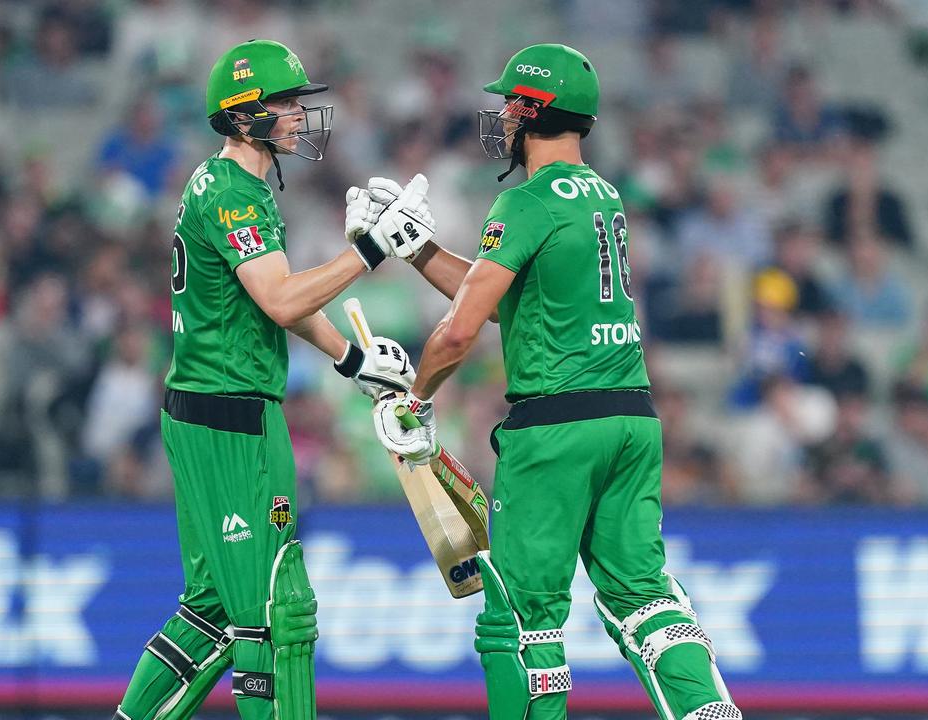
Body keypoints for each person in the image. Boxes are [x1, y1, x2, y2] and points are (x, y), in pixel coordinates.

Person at [369, 44, 741, 720]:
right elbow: (504, 300)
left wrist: (414, 399)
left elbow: (460, 329)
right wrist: (418, 247)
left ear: (534, 109)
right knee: (643, 596)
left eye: (511, 102)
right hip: (631, 418)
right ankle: (705, 709)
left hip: (556, 428)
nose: (503, 116)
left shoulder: (527, 202)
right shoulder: (603, 194)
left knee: (519, 616)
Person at [112, 39, 424, 720]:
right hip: (221, 420)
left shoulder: (243, 186)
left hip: (246, 411)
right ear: (242, 114)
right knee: (265, 612)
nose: (296, 115)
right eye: (283, 103)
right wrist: (368, 251)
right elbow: (282, 300)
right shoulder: (231, 194)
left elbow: (279, 301)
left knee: (219, 606)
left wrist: (350, 359)